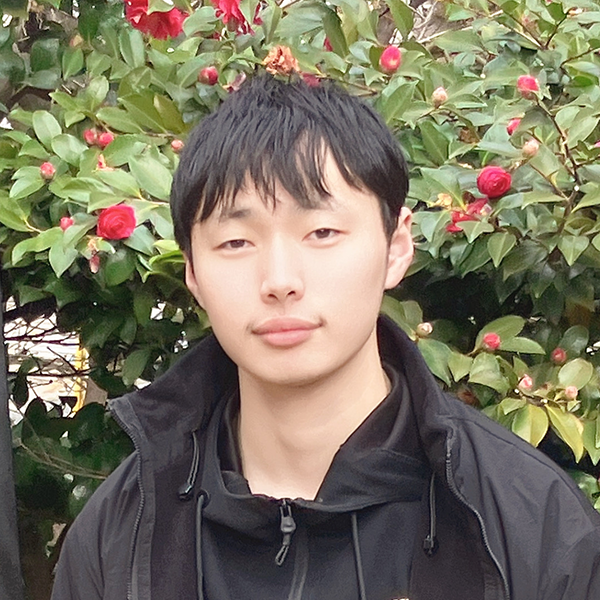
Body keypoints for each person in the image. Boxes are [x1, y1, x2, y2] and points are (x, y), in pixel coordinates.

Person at [52, 74, 600, 600]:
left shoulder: (531, 523)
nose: (280, 280)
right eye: (236, 241)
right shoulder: (119, 535)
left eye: (322, 231)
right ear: (193, 271)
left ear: (396, 247)